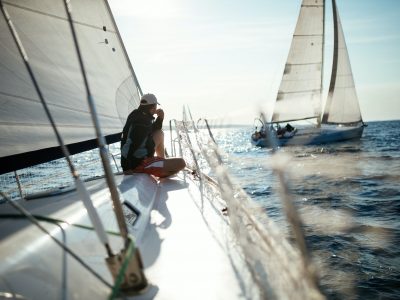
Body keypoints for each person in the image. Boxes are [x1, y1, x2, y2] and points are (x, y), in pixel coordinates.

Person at [121, 93, 186, 178]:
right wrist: (126, 168)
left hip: (142, 154)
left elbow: (153, 129)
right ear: (152, 108)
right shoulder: (141, 123)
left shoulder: (138, 114)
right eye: (155, 106)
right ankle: (161, 170)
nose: (156, 109)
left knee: (159, 133)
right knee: (181, 163)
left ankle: (161, 162)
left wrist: (160, 118)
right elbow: (128, 146)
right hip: (140, 163)